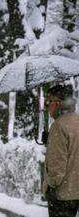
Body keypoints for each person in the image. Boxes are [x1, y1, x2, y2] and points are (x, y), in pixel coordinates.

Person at [43, 85, 79, 217]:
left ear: (58, 103)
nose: (46, 106)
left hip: (63, 194)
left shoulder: (59, 126)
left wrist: (51, 186)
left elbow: (56, 164)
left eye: (48, 102)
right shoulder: (77, 120)